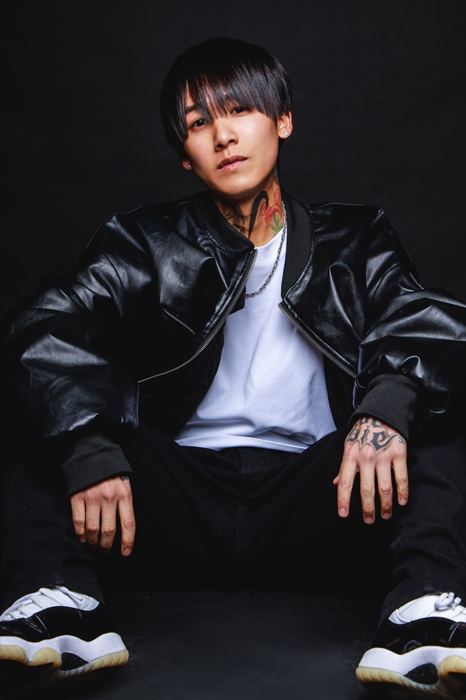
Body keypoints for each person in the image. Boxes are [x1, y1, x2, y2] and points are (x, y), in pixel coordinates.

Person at [1, 36, 466, 698]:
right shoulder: (143, 243)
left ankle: (425, 613)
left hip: (320, 495)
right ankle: (57, 604)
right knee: (45, 416)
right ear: (185, 154)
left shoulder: (357, 238)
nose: (223, 136)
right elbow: (45, 328)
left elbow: (426, 324)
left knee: (430, 413)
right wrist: (90, 448)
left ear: (283, 120)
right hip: (174, 499)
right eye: (199, 123)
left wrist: (386, 409)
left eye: (241, 110)